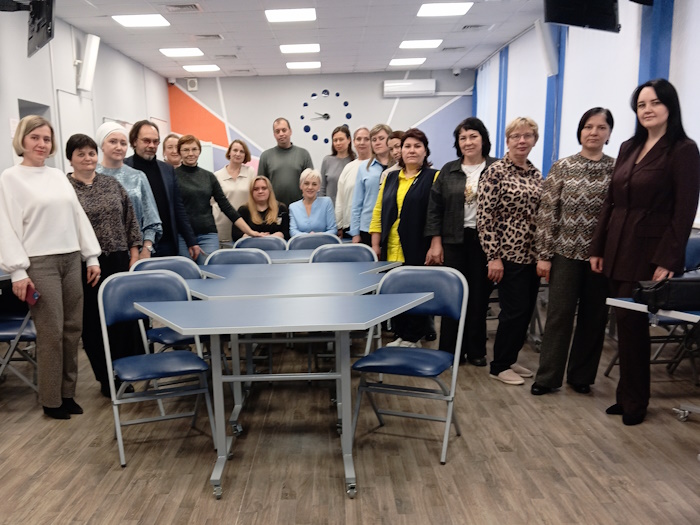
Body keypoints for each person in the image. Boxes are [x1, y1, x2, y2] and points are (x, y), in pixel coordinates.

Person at [590, 79, 700, 425]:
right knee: (624, 326)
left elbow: (684, 211)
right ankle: (627, 396)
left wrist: (668, 259)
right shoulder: (629, 146)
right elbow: (610, 201)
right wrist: (597, 246)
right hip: (617, 245)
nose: (647, 109)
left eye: (655, 102)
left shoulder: (683, 149)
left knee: (633, 325)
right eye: (641, 104)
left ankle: (636, 402)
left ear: (670, 106)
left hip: (649, 251)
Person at [0, 116, 101, 419]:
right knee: (51, 332)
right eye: (35, 137)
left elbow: (77, 216)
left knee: (72, 330)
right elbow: (5, 227)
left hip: (71, 258)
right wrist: (18, 272)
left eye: (46, 138)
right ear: (22, 140)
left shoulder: (58, 176)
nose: (42, 144)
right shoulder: (10, 178)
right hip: (39, 264)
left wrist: (91, 256)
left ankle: (67, 394)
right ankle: (51, 399)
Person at [531, 108, 615, 396]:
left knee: (594, 318)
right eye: (588, 126)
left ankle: (581, 376)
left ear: (609, 133)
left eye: (601, 127)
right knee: (559, 316)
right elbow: (547, 213)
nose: (594, 132)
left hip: (600, 257)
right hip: (564, 254)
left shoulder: (617, 169)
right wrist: (543, 255)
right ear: (580, 131)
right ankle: (547, 377)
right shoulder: (563, 167)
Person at [66, 134, 142, 397]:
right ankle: (105, 377)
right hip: (85, 264)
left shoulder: (111, 184)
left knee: (121, 320)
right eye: (80, 154)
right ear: (70, 158)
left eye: (91, 153)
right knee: (93, 322)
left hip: (118, 259)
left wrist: (134, 253)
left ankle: (124, 372)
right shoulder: (64, 188)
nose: (87, 158)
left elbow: (130, 219)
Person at [425, 117, 498, 366]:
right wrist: (436, 243)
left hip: (485, 242)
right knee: (452, 295)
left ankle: (476, 351)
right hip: (453, 240)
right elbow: (435, 209)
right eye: (463, 138)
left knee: (479, 297)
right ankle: (450, 351)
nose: (468, 142)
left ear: (483, 139)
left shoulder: (497, 167)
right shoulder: (448, 170)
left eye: (473, 136)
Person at [477, 117, 543, 386]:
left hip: (532, 255)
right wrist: (493, 257)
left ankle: (510, 357)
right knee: (513, 311)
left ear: (535, 140)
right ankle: (499, 365)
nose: (522, 141)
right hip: (507, 254)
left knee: (525, 312)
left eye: (527, 136)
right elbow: (485, 217)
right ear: (507, 141)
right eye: (516, 136)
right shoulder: (495, 172)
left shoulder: (535, 173)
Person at [369, 128, 439, 347]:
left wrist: (435, 244)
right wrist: (375, 244)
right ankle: (401, 335)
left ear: (425, 151)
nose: (411, 150)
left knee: (415, 290)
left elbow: (437, 215)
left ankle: (413, 337)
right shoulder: (391, 177)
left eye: (417, 146)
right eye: (407, 146)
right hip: (391, 246)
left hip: (418, 244)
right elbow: (378, 211)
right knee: (396, 291)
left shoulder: (434, 177)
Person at [175, 134, 262, 263]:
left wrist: (250, 231)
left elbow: (226, 206)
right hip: (182, 236)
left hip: (208, 235)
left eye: (194, 149)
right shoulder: (173, 176)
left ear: (199, 151)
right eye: (186, 150)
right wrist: (189, 239)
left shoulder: (209, 177)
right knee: (187, 271)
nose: (190, 153)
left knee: (210, 270)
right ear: (179, 152)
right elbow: (176, 211)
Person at [124, 120, 201, 259]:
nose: (151, 145)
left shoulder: (167, 170)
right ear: (134, 141)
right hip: (136, 246)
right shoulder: (124, 169)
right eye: (146, 141)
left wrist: (191, 241)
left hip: (167, 243)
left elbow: (178, 208)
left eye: (155, 141)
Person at [95, 122, 162, 259]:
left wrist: (147, 249)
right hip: (98, 253)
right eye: (113, 142)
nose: (118, 147)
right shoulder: (91, 175)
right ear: (102, 145)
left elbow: (151, 218)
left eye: (123, 143)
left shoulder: (138, 176)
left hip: (136, 252)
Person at [349, 124, 392, 245]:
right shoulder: (364, 167)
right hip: (368, 226)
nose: (377, 142)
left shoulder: (400, 166)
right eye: (374, 140)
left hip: (393, 226)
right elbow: (357, 202)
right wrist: (355, 233)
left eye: (381, 138)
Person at [257, 117, 314, 206]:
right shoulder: (266, 156)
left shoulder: (303, 154)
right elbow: (260, 186)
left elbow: (311, 182)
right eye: (277, 131)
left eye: (284, 130)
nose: (281, 134)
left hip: (300, 207)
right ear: (274, 134)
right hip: (273, 208)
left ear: (290, 131)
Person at [213, 139, 255, 242]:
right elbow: (211, 202)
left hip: (244, 225)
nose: (238, 154)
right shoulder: (217, 175)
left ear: (245, 155)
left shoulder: (250, 172)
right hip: (222, 225)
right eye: (235, 150)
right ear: (229, 153)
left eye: (242, 151)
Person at [336, 127, 371, 237]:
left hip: (371, 227)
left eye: (366, 139)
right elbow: (340, 199)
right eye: (358, 139)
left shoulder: (378, 167)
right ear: (354, 142)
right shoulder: (348, 168)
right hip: (349, 225)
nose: (362, 142)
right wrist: (339, 224)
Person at [232, 175, 290, 241]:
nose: (260, 191)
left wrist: (271, 237)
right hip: (251, 246)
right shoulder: (243, 210)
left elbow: (286, 232)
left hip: (275, 245)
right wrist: (255, 237)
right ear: (251, 192)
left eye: (264, 188)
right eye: (256, 189)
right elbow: (235, 234)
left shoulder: (281, 208)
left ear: (269, 190)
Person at [289, 168, 337, 237]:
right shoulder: (293, 207)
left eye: (314, 184)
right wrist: (308, 236)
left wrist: (317, 236)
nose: (310, 187)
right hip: (302, 243)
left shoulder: (327, 202)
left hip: (323, 242)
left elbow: (333, 230)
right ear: (301, 186)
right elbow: (293, 231)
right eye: (306, 183)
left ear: (319, 187)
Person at [320, 125, 355, 205]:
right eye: (335, 140)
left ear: (349, 140)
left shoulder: (355, 161)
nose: (338, 143)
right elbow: (322, 188)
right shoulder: (327, 160)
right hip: (329, 208)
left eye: (341, 139)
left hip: (349, 207)